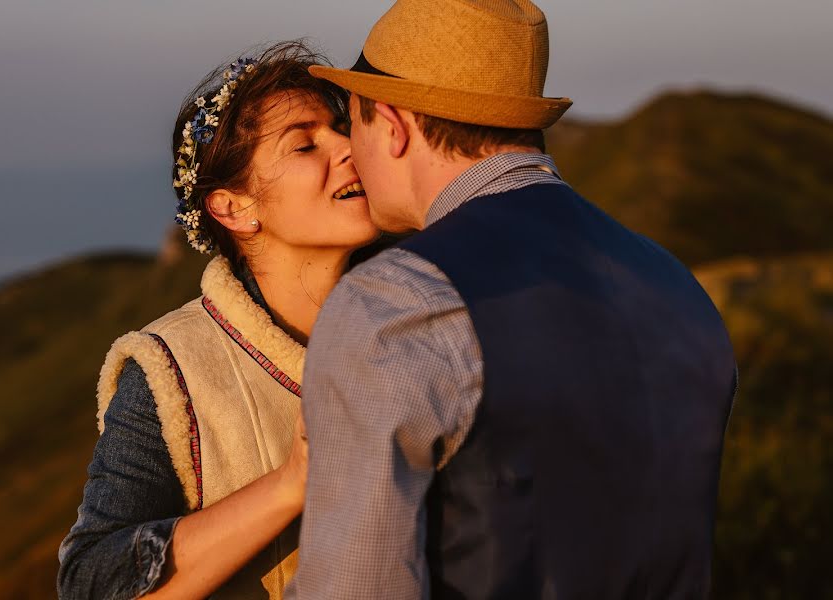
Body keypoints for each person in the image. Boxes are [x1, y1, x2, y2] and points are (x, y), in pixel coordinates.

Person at [288, 1, 738, 598]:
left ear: (393, 127)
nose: (350, 151)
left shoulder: (395, 301)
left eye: (353, 122)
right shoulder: (678, 286)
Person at [57, 42, 378, 599]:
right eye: (305, 144)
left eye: (340, 127)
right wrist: (289, 485)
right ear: (234, 208)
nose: (348, 147)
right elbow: (89, 580)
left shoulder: (430, 316)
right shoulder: (172, 371)